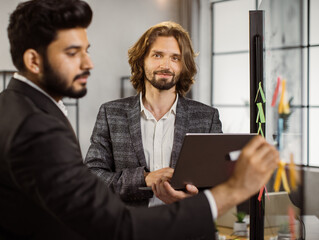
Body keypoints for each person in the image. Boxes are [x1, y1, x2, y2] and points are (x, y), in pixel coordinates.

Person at [0, 0, 279, 239]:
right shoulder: (38, 125)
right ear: (33, 60)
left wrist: (202, 193)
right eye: (72, 52)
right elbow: (104, 203)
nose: (88, 63)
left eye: (175, 58)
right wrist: (147, 180)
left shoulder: (5, 106)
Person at [85, 21, 222, 207]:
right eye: (157, 55)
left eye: (175, 58)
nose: (166, 65)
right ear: (142, 60)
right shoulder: (111, 113)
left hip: (184, 228)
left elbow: (217, 181)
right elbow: (93, 176)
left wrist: (193, 199)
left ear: (184, 65)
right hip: (129, 227)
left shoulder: (207, 117)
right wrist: (144, 179)